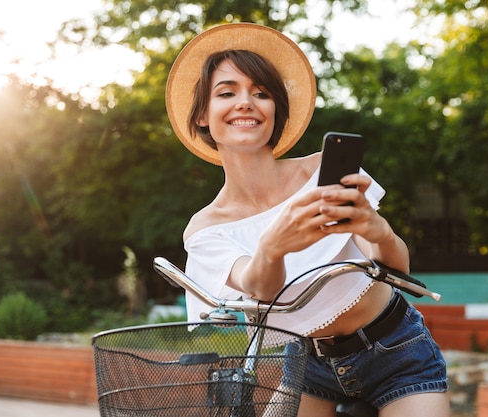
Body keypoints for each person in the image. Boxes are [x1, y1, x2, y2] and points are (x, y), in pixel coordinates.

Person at [165, 23, 449, 417]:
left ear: (275, 111)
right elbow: (259, 287)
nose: (246, 102)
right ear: (201, 115)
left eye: (261, 93)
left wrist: (376, 230)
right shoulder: (206, 228)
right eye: (227, 92)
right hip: (309, 365)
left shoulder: (323, 171)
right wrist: (273, 245)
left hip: (397, 351)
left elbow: (398, 267)